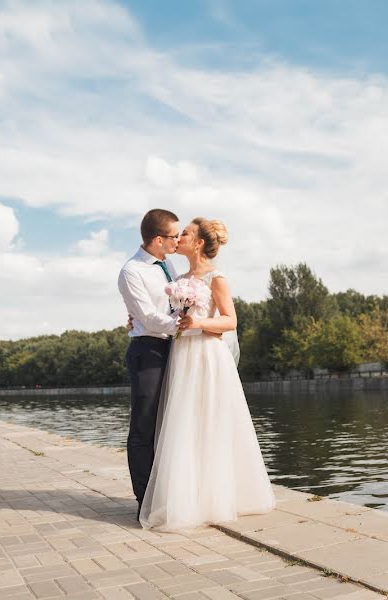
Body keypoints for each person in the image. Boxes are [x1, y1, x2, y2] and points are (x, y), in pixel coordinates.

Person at [139, 217, 276, 531]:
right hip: (183, 355)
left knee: (210, 422)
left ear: (198, 242)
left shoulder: (217, 278)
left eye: (185, 233)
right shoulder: (179, 277)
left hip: (207, 357)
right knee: (185, 425)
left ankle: (218, 497)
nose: (179, 237)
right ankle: (190, 498)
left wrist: (198, 323)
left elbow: (230, 322)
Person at [117, 209, 182, 517]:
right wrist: (186, 326)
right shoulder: (132, 271)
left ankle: (168, 491)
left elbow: (170, 307)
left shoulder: (167, 264)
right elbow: (149, 318)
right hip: (148, 351)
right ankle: (145, 501)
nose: (178, 240)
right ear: (159, 239)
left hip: (174, 348)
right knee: (144, 426)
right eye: (174, 236)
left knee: (169, 423)